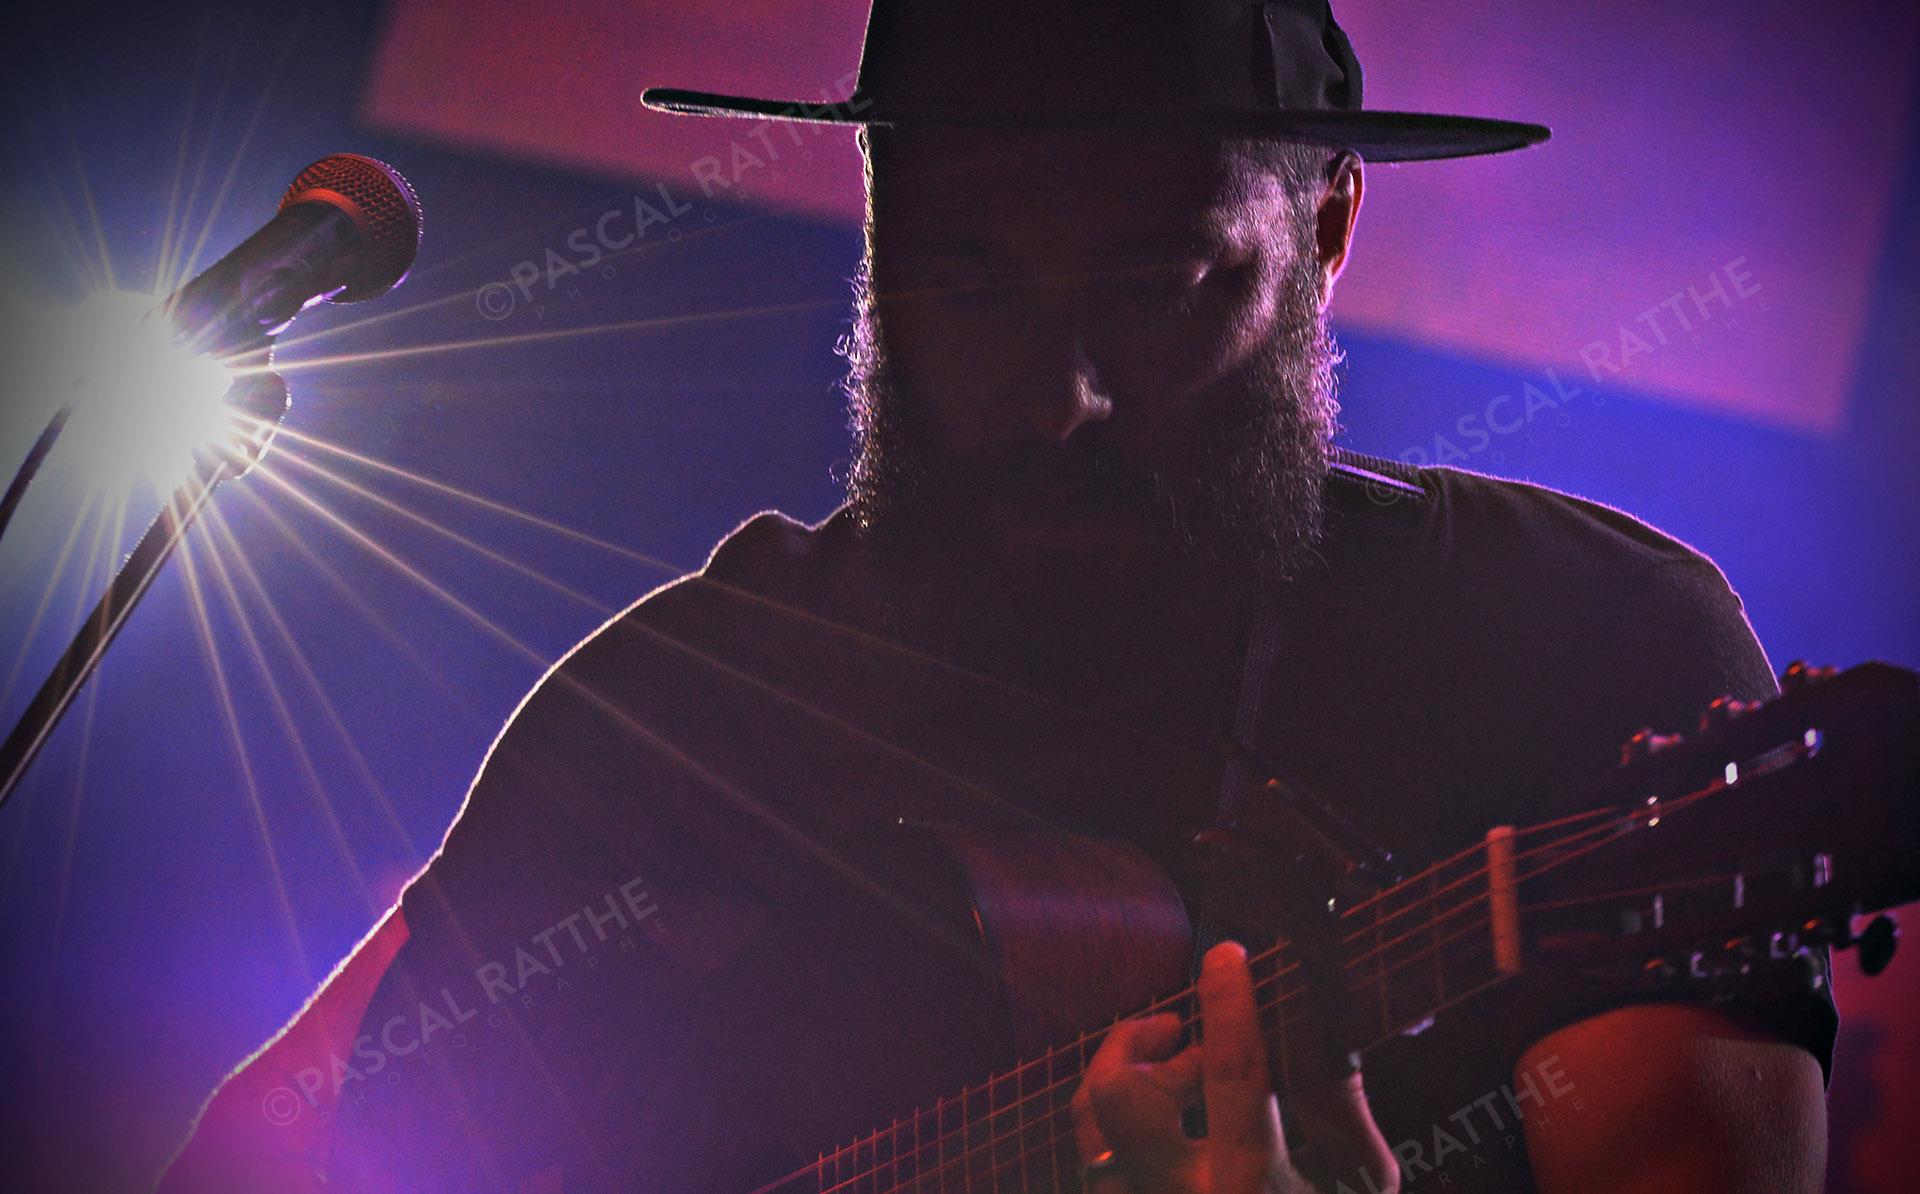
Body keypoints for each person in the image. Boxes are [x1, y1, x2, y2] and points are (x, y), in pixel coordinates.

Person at [161, 1, 1836, 1190]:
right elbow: (279, 1142)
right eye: (966, 283)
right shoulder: (680, 707)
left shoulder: (1582, 648)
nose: (1062, 399)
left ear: (1326, 226)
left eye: (1158, 283)